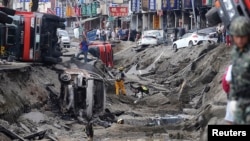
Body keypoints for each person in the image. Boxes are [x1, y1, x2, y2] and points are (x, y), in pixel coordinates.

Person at [228, 16, 250, 124]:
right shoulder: (235, 53)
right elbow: (234, 78)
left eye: (243, 36)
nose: (240, 40)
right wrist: (232, 99)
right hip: (239, 103)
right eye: (237, 36)